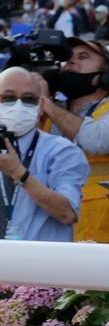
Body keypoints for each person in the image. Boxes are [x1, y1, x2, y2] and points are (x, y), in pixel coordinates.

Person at [0, 67, 87, 241]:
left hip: (42, 263)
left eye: (28, 99)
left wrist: (18, 173)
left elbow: (68, 214)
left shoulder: (62, 151)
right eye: (8, 98)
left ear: (40, 106)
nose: (19, 105)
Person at [40, 37, 109, 241]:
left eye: (83, 57)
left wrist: (47, 104)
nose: (71, 61)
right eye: (68, 58)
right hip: (53, 225)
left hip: (100, 229)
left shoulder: (51, 109)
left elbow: (96, 140)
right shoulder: (49, 111)